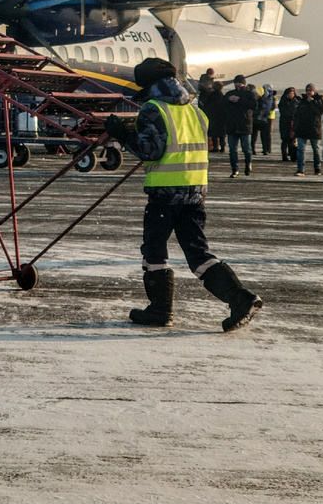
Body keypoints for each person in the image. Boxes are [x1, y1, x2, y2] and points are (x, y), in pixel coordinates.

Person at [104, 58, 262, 331]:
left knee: (154, 251)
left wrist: (122, 134)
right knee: (198, 252)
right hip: (195, 191)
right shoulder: (195, 110)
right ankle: (240, 298)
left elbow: (149, 151)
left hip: (165, 194)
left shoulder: (154, 109)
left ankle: (160, 309)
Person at [222, 74, 258, 178]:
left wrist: (240, 100)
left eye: (240, 82)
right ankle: (235, 169)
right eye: (237, 82)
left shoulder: (249, 94)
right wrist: (229, 100)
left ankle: (248, 164)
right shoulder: (230, 93)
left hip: (244, 125)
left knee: (246, 148)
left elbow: (254, 105)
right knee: (232, 150)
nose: (238, 84)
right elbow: (222, 103)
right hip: (232, 125)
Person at [293, 83, 323, 176]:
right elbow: (296, 114)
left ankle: (317, 168)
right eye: (307, 90)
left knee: (316, 149)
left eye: (310, 91)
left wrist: (312, 102)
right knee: (301, 149)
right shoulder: (301, 101)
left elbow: (321, 111)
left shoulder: (320, 101)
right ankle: (301, 169)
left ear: (314, 91)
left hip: (314, 129)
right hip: (302, 128)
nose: (308, 92)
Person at [252, 84, 276, 156]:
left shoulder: (259, 99)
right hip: (265, 118)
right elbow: (273, 107)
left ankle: (254, 149)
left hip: (258, 118)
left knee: (254, 135)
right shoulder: (271, 98)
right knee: (265, 135)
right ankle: (266, 149)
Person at [278, 86, 299, 162]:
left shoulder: (296, 101)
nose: (291, 95)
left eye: (292, 93)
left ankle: (293, 155)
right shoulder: (283, 102)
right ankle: (284, 156)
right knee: (285, 140)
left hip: (293, 123)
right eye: (290, 93)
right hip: (285, 123)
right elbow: (283, 112)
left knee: (292, 140)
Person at [206, 80, 227, 153]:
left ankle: (215, 147)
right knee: (222, 133)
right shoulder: (222, 96)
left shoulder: (211, 95)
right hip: (222, 117)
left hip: (213, 116)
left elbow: (207, 105)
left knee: (214, 133)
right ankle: (222, 147)